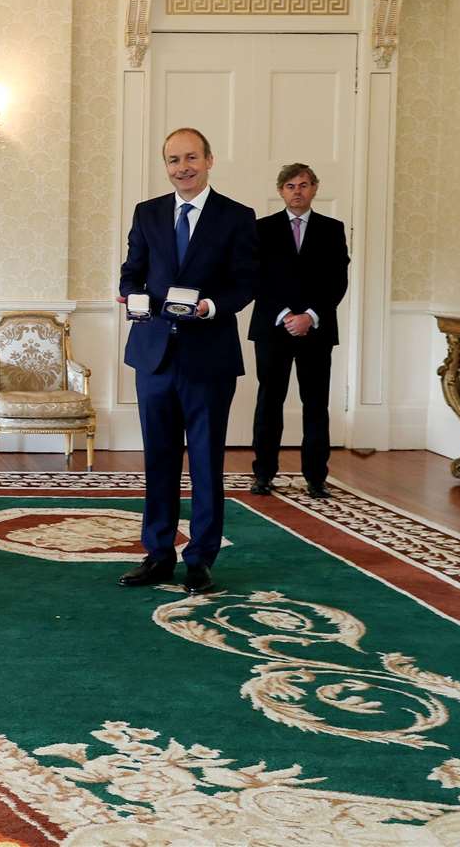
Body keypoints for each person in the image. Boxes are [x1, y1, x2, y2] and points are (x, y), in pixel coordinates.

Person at [117, 128, 257, 594]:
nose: (183, 167)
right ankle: (158, 554)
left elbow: (244, 283)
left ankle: (200, 559)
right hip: (154, 354)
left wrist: (211, 307)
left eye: (191, 158)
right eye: (173, 160)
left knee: (204, 461)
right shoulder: (148, 213)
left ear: (210, 160)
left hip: (208, 356)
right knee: (158, 460)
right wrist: (131, 296)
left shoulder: (237, 217)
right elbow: (132, 270)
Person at [248, 163, 350, 500]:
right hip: (272, 328)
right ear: (280, 190)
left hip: (316, 331)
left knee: (316, 404)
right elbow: (256, 278)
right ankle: (263, 474)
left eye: (303, 185)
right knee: (269, 402)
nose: (297, 191)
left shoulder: (332, 230)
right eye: (290, 185)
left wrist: (309, 316)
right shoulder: (261, 229)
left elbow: (337, 281)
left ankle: (316, 478)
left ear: (314, 188)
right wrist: (285, 315)